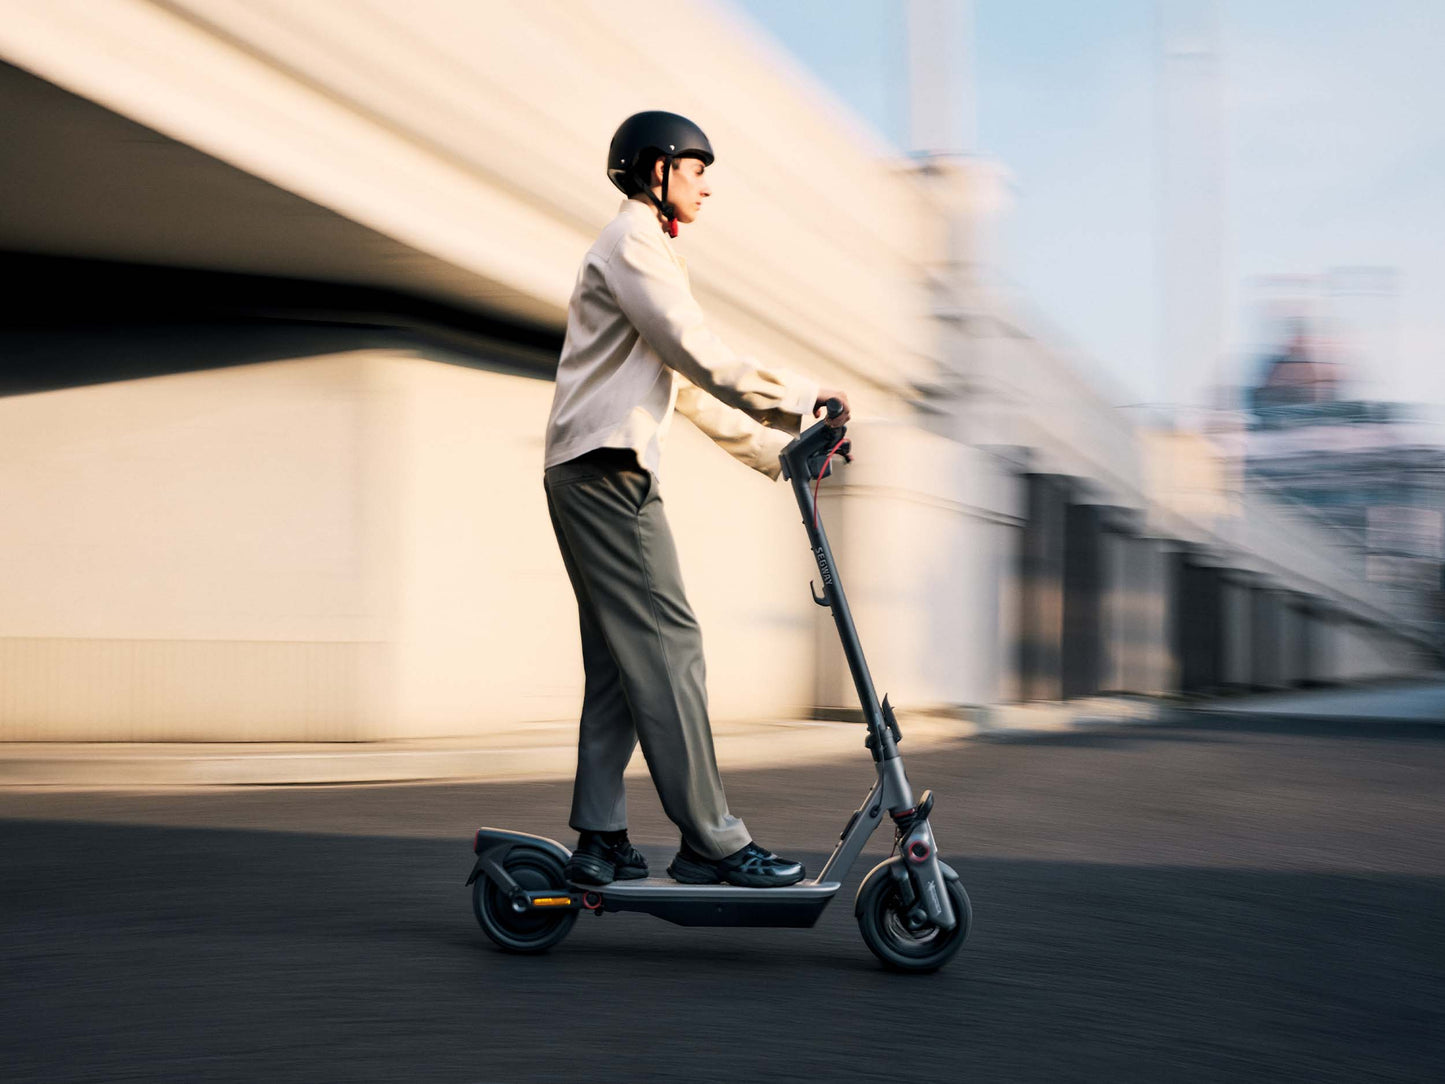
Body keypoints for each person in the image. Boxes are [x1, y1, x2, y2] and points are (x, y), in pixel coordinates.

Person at [542, 110, 850, 889]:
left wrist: (776, 449)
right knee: (671, 647)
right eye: (696, 169)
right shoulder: (633, 243)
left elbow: (679, 383)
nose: (706, 186)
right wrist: (805, 396)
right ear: (656, 171)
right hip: (607, 475)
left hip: (592, 472)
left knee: (621, 661)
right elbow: (697, 352)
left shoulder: (637, 251)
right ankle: (711, 841)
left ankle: (601, 838)